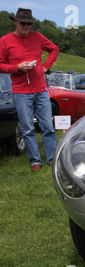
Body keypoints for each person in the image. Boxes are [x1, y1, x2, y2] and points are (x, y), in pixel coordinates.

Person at [0, 8, 59, 172]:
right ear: (15, 22)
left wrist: (46, 66)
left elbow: (54, 49)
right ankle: (35, 162)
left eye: (29, 23)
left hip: (40, 89)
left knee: (47, 126)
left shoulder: (38, 37)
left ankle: (52, 160)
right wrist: (17, 67)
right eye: (23, 23)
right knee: (27, 128)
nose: (26, 26)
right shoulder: (5, 41)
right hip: (20, 92)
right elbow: (1, 65)